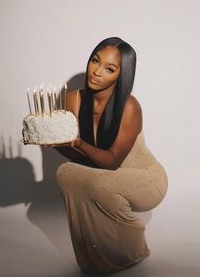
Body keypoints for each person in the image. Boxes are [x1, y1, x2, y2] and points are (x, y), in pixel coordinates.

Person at [54, 37, 168, 274]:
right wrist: (52, 141)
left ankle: (133, 242)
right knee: (65, 172)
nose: (97, 71)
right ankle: (96, 254)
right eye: (95, 61)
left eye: (109, 69)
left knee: (98, 184)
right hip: (109, 176)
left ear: (121, 75)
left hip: (146, 179)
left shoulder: (129, 106)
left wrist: (79, 143)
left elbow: (112, 161)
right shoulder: (73, 99)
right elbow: (78, 157)